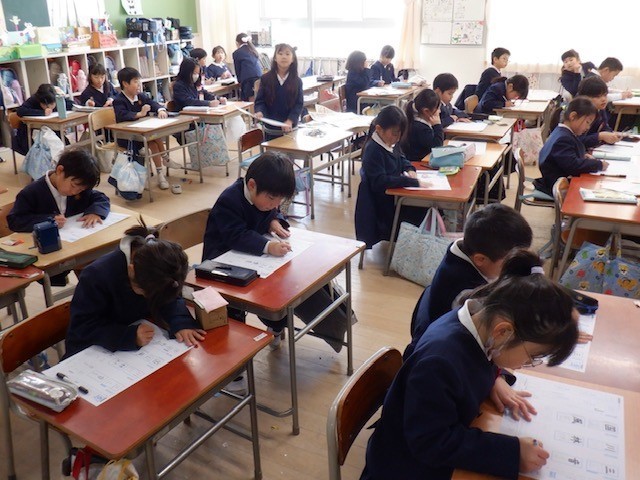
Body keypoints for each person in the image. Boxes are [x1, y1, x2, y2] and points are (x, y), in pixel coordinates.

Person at [361, 253, 579, 480]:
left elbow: (478, 360)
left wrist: (495, 379)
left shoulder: (477, 322)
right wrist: (512, 453)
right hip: (405, 468)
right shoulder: (439, 363)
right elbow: (431, 442)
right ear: (503, 332)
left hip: (425, 445)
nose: (527, 365)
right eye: (532, 357)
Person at [407, 204, 532, 358]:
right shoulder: (466, 293)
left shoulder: (466, 247)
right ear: (480, 259)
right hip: (450, 352)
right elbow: (482, 340)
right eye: (510, 262)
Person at [65, 220, 205, 357]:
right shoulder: (96, 276)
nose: (149, 298)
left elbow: (171, 297)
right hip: (93, 351)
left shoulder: (165, 264)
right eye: (146, 293)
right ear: (131, 270)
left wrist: (181, 322)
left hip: (139, 336)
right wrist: (127, 336)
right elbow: (83, 328)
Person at [202, 151, 295, 342]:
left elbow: (270, 212)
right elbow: (236, 236)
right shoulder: (229, 200)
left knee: (280, 284)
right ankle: (235, 343)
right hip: (221, 265)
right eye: (272, 199)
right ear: (252, 185)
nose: (275, 204)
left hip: (247, 259)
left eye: (280, 201)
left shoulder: (264, 198)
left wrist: (274, 220)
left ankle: (276, 324)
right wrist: (268, 246)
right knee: (235, 316)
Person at [354, 106, 429, 249]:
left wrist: (409, 168)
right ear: (379, 129)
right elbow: (380, 181)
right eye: (395, 133)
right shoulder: (373, 150)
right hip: (384, 208)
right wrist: (409, 181)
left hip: (394, 197)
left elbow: (401, 158)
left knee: (427, 205)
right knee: (422, 208)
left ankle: (417, 247)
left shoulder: (390, 141)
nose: (398, 138)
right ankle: (412, 249)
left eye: (400, 133)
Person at [8, 146, 109, 232]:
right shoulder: (31, 193)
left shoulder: (81, 188)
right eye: (73, 186)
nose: (74, 192)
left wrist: (95, 212)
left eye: (80, 190)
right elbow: (15, 221)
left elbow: (101, 198)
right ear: (60, 170)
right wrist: (48, 220)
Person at [534, 96, 608, 196]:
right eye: (587, 122)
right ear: (573, 116)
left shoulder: (562, 131)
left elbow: (566, 157)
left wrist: (583, 156)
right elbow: (573, 166)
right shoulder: (564, 139)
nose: (588, 127)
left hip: (554, 181)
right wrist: (598, 165)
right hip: (556, 186)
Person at [113, 67, 172, 190]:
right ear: (125, 84)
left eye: (139, 81)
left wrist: (160, 110)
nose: (139, 84)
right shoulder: (118, 100)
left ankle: (160, 174)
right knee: (153, 139)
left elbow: (153, 103)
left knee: (154, 140)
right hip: (128, 138)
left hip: (142, 134)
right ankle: (165, 159)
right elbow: (122, 115)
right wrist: (139, 114)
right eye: (135, 81)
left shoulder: (140, 96)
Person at [254, 43, 303, 140]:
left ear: (293, 59)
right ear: (275, 58)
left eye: (287, 54)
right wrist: (260, 112)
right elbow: (260, 101)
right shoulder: (265, 79)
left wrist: (290, 120)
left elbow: (299, 104)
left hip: (290, 128)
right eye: (280, 54)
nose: (284, 57)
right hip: (271, 128)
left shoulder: (297, 81)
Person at [15, 83, 74, 156]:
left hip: (51, 129)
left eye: (52, 104)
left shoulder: (55, 97)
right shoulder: (34, 99)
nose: (49, 107)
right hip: (31, 133)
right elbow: (20, 111)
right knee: (48, 148)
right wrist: (42, 112)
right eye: (45, 105)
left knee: (65, 145)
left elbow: (71, 104)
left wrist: (61, 98)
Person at [576, 76, 622, 149]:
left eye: (605, 95)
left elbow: (605, 127)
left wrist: (612, 135)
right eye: (598, 97)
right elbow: (577, 141)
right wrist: (600, 136)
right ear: (584, 97)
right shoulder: (580, 114)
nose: (603, 99)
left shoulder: (600, 109)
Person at [399, 88, 443, 161]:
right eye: (437, 109)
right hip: (417, 163)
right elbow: (437, 149)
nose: (439, 111)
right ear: (426, 111)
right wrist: (437, 126)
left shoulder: (414, 121)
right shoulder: (421, 129)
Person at [232, 33, 263, 101]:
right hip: (259, 76)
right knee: (258, 98)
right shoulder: (253, 49)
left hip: (248, 78)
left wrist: (239, 81)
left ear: (237, 43)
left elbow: (238, 69)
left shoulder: (237, 52)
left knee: (250, 99)